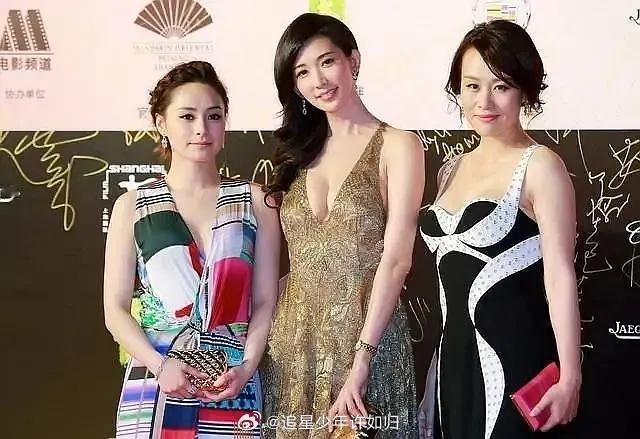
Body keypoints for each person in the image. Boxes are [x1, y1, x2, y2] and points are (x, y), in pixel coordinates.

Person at [260, 13, 424, 438]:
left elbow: (397, 260)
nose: (318, 80)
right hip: (293, 349)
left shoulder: (398, 145)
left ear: (353, 60)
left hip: (368, 342)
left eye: (327, 62)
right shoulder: (297, 155)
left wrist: (363, 357)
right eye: (302, 72)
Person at [419, 20, 581, 438]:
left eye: (501, 86)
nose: (484, 101)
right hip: (453, 370)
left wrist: (570, 376)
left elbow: (560, 276)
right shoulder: (450, 169)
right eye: (472, 86)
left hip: (517, 366)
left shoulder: (541, 166)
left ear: (524, 90)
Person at [104, 61, 280, 438]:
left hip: (231, 383)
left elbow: (266, 300)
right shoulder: (133, 206)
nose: (202, 128)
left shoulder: (256, 202)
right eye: (187, 116)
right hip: (157, 382)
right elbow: (114, 310)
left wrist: (247, 367)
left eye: (213, 116)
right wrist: (159, 366)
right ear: (161, 123)